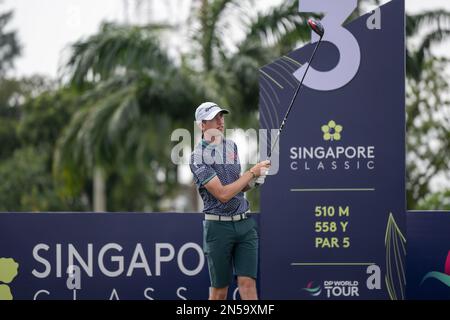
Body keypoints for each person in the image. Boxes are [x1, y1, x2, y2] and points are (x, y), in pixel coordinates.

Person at [189, 101, 271, 300]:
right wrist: (252, 172)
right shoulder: (197, 157)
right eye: (214, 118)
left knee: (248, 285)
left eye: (221, 116)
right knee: (219, 292)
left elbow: (238, 186)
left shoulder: (231, 146)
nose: (220, 121)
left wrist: (255, 181)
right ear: (202, 125)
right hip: (218, 228)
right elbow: (223, 195)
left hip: (244, 225)